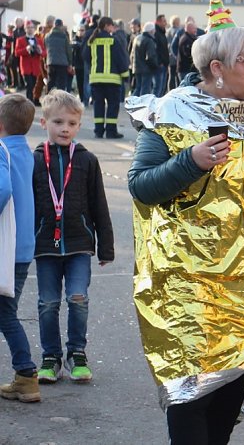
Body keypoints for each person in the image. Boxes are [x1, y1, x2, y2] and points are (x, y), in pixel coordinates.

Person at [126, 0, 244, 444]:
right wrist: (190, 161)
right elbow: (141, 187)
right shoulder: (172, 110)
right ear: (217, 69)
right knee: (192, 387)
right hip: (189, 274)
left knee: (230, 380)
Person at [31, 90, 114, 384]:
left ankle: (77, 353)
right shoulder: (36, 160)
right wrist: (23, 244)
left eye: (71, 123)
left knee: (78, 298)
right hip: (45, 246)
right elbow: (28, 205)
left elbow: (99, 205)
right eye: (58, 122)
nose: (64, 128)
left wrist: (105, 247)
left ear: (79, 125)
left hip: (79, 244)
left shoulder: (87, 160)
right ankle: (50, 357)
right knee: (48, 302)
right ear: (44, 123)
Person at [0, 93, 39, 403]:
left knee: (6, 315)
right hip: (24, 246)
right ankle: (24, 376)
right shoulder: (26, 152)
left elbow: (3, 189)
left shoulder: (1, 152)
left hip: (6, 246)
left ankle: (26, 373)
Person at [83, 17, 129, 138]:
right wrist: (125, 75)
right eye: (112, 26)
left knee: (98, 105)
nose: (113, 28)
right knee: (113, 105)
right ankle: (111, 131)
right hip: (112, 79)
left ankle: (98, 131)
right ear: (107, 26)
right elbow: (121, 59)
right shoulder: (114, 40)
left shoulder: (92, 41)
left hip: (96, 79)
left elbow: (85, 57)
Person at [14, 20, 46, 105]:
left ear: (34, 29)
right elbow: (16, 53)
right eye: (28, 28)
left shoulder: (39, 40)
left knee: (33, 85)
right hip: (26, 66)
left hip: (35, 67)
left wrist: (40, 51)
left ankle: (29, 102)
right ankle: (29, 103)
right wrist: (26, 49)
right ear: (25, 29)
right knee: (29, 85)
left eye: (32, 27)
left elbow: (44, 53)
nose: (30, 29)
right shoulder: (20, 40)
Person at [131, 22, 159, 97]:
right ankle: (142, 105)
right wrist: (155, 66)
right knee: (145, 89)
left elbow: (132, 54)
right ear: (151, 31)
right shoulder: (149, 41)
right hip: (146, 69)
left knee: (138, 87)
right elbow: (150, 57)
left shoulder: (137, 38)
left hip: (137, 67)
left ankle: (132, 103)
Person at [44, 18, 72, 92]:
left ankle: (48, 100)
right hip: (62, 63)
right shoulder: (64, 36)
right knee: (61, 85)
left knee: (50, 82)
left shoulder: (47, 36)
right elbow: (68, 51)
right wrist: (70, 63)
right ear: (61, 26)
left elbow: (45, 49)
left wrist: (45, 61)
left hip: (50, 62)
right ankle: (60, 101)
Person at [176, 16, 199, 82]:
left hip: (189, 69)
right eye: (194, 29)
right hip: (185, 69)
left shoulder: (191, 38)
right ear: (189, 29)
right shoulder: (186, 39)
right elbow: (188, 54)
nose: (196, 30)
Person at [153, 14, 170, 96]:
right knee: (157, 88)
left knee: (162, 88)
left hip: (164, 64)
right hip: (159, 65)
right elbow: (156, 50)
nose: (165, 23)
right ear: (158, 22)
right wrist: (159, 62)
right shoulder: (156, 33)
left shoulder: (162, 33)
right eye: (164, 21)